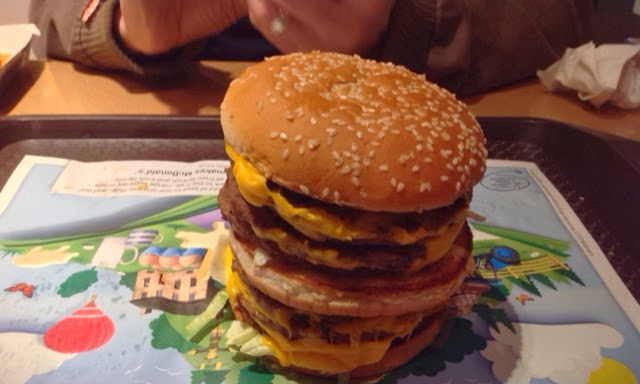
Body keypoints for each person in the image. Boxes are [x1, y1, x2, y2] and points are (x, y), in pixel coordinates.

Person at [30, 0, 594, 96]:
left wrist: (410, 26)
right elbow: (46, 11)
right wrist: (122, 27)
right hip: (176, 107)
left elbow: (563, 17)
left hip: (426, 106)